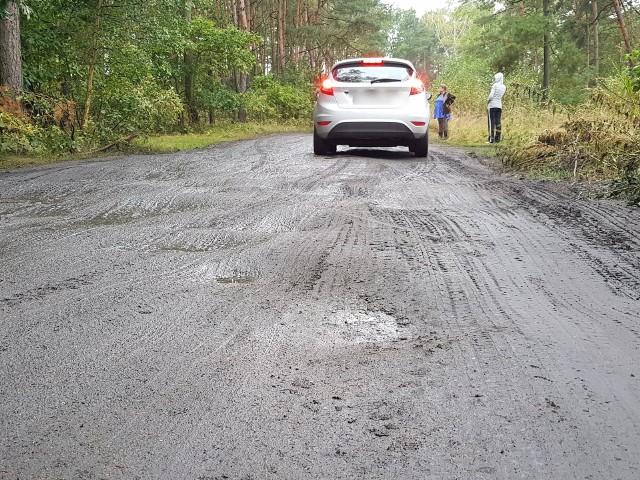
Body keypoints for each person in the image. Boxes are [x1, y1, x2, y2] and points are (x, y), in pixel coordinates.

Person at [487, 72, 506, 143]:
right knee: (498, 122)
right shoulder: (504, 87)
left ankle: (491, 139)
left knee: (491, 122)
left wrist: (487, 101)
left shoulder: (495, 85)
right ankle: (497, 138)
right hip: (499, 106)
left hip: (492, 105)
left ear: (497, 78)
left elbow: (491, 96)